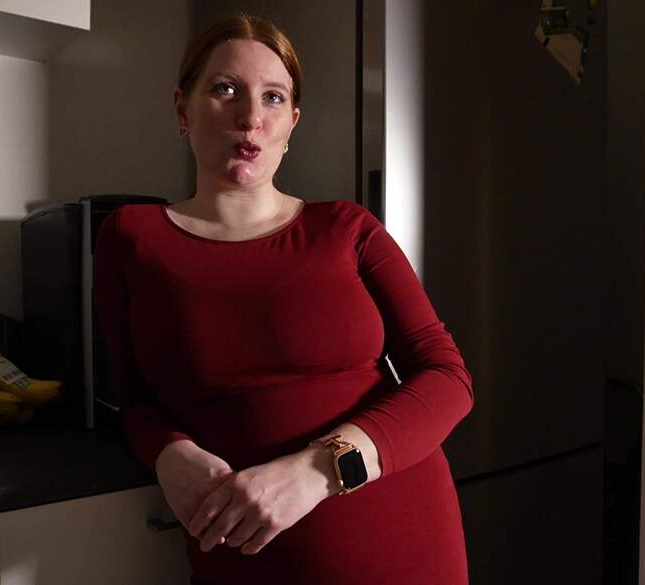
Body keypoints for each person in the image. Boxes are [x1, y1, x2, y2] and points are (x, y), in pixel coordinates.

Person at [93, 13, 474, 585]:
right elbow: (135, 400)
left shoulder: (346, 227)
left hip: (406, 536)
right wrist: (169, 454)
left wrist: (319, 471)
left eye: (273, 97)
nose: (251, 117)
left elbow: (448, 378)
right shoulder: (131, 238)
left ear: (292, 123)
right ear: (181, 108)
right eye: (225, 89)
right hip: (243, 550)